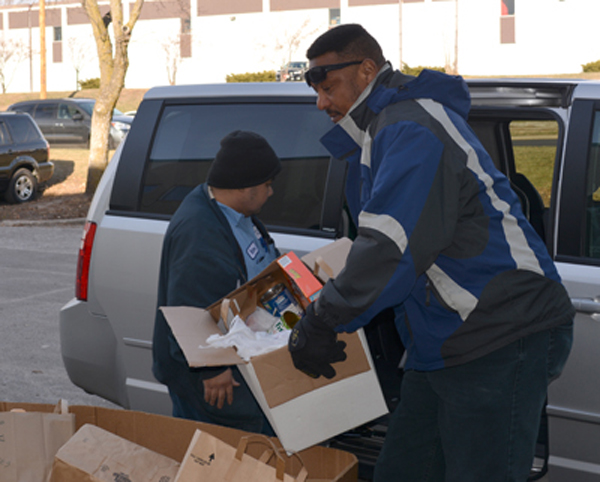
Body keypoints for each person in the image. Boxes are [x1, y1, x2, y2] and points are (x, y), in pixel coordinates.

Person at [288, 24, 574, 481]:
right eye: (317, 90)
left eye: (328, 86)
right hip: (443, 340)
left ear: (366, 71)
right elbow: (382, 244)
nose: (321, 101)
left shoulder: (410, 127)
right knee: (403, 469)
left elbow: (389, 248)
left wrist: (325, 316)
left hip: (499, 330)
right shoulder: (379, 132)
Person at [153, 130, 281, 435]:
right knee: (216, 454)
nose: (271, 192)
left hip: (240, 348)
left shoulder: (232, 212)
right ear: (245, 187)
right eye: (267, 185)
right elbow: (189, 307)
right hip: (211, 377)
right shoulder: (200, 234)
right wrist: (213, 368)